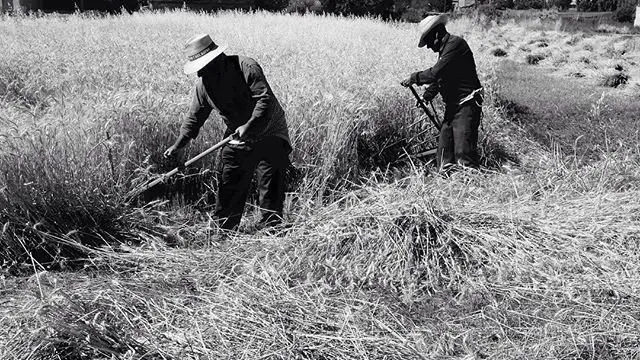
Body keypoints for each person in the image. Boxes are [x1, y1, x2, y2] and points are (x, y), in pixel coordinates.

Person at [164, 34, 291, 233]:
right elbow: (194, 119)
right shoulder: (204, 86)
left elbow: (264, 101)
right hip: (237, 133)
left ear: (217, 59)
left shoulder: (246, 67)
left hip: (270, 129)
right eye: (198, 69)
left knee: (270, 180)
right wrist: (178, 145)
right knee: (230, 176)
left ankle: (271, 230)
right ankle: (224, 230)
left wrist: (248, 126)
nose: (199, 74)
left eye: (203, 67)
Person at [401, 14, 483, 171]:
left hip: (467, 104)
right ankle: (447, 186)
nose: (428, 47)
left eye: (428, 41)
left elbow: (436, 73)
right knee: (444, 152)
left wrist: (413, 77)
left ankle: (471, 186)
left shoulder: (456, 45)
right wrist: (427, 96)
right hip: (454, 107)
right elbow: (444, 78)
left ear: (437, 34)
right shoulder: (446, 49)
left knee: (463, 153)